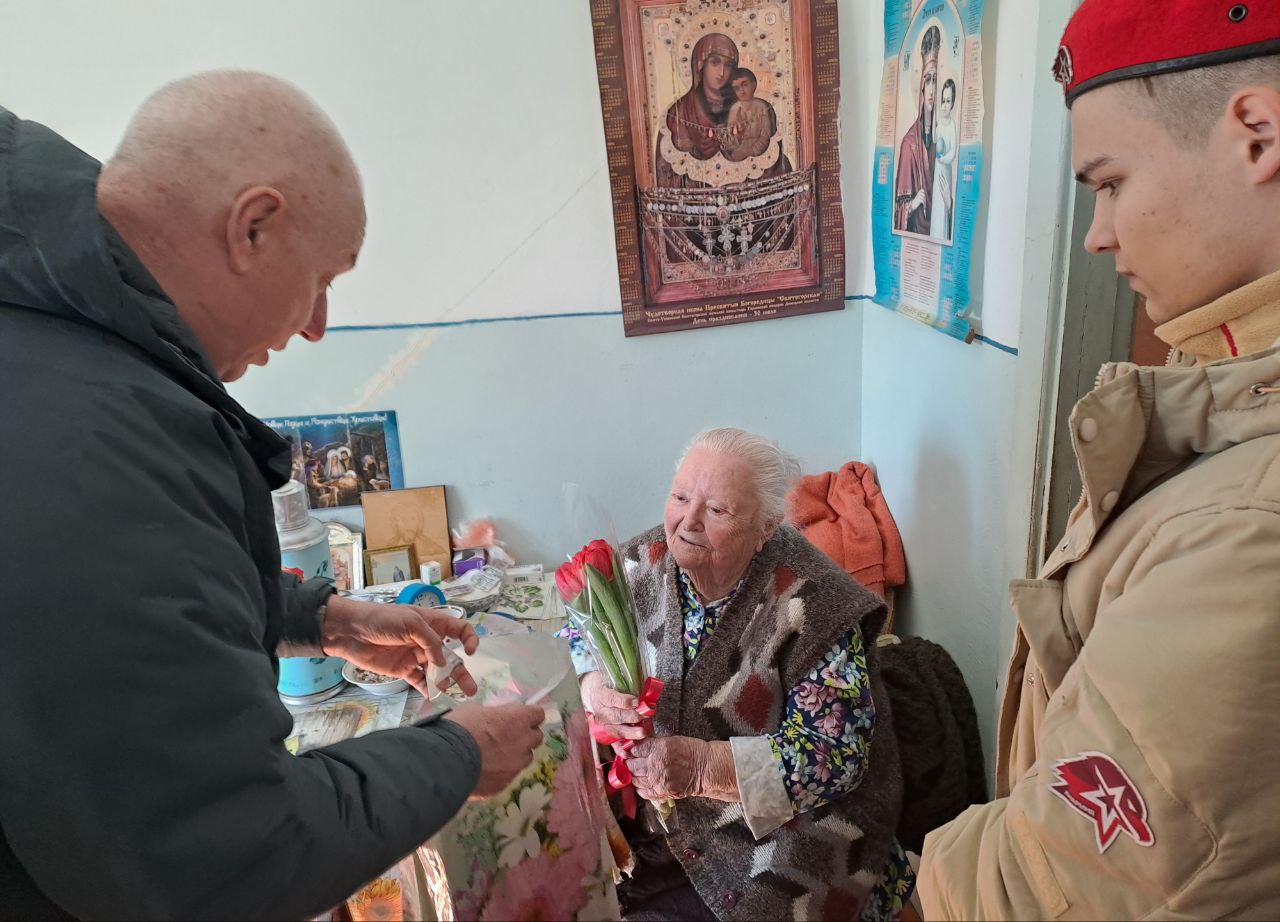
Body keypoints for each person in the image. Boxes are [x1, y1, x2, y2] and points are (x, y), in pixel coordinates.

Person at [0, 72, 544, 920]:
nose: (318, 322)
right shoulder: (89, 433)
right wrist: (459, 757)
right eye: (324, 276)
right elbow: (229, 856)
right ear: (252, 226)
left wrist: (319, 620)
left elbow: (142, 600)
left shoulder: (61, 326)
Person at [917, 2, 1280, 917]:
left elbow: (1045, 886)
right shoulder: (1227, 398)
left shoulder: (1248, 530)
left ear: (1258, 134)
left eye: (1110, 183)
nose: (1097, 233)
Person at [565, 429, 914, 921]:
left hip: (786, 832)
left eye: (718, 510)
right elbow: (581, 635)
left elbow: (831, 757)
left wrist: (702, 767)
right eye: (681, 497)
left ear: (767, 526)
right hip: (658, 824)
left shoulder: (814, 603)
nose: (688, 521)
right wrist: (594, 687)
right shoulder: (640, 562)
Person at [655, 33, 791, 187]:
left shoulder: (752, 108)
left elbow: (776, 167)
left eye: (728, 65)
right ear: (700, 64)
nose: (721, 72)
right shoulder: (679, 112)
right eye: (714, 62)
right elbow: (666, 175)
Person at [894, 25, 941, 235]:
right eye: (928, 80)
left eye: (936, 80)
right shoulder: (909, 144)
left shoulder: (941, 137)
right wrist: (912, 205)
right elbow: (898, 211)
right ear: (922, 87)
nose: (932, 89)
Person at [726, 67, 776, 162]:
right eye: (737, 88)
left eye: (745, 85)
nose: (741, 91)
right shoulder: (734, 109)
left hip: (760, 154)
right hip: (738, 152)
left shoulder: (762, 106)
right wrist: (737, 137)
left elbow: (765, 137)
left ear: (754, 84)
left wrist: (750, 151)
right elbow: (731, 137)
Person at [930, 78, 958, 240]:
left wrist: (943, 159)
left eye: (948, 101)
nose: (945, 105)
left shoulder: (952, 125)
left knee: (943, 198)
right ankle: (934, 234)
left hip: (945, 170)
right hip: (937, 172)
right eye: (943, 101)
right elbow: (934, 139)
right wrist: (934, 121)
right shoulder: (940, 124)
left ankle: (941, 235)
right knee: (937, 205)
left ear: (953, 103)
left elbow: (953, 151)